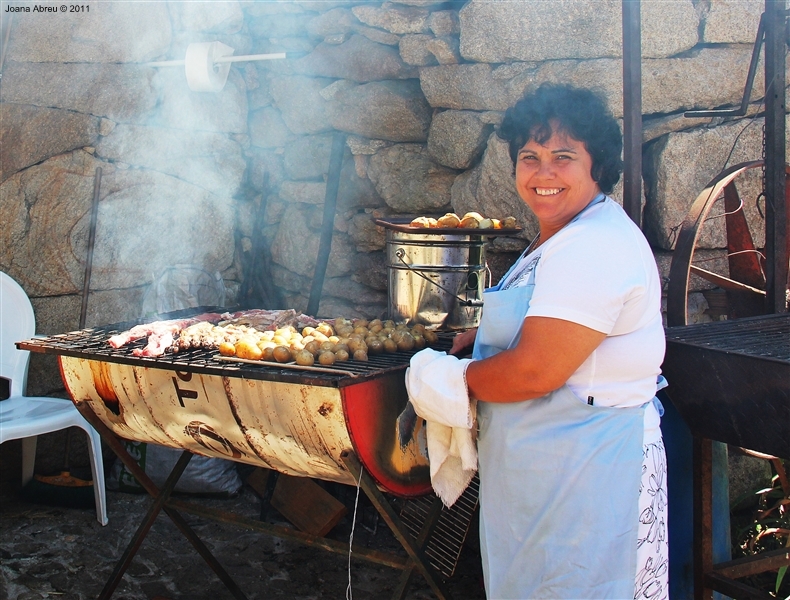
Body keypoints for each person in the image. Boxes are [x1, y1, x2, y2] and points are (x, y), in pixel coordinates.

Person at [406, 83, 668, 600]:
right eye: (530, 157)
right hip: (546, 475)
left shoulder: (593, 246)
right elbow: (558, 321)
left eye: (563, 157)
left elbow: (535, 372)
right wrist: (484, 336)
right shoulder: (562, 236)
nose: (543, 173)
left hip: (587, 480)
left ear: (599, 167)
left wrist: (444, 380)